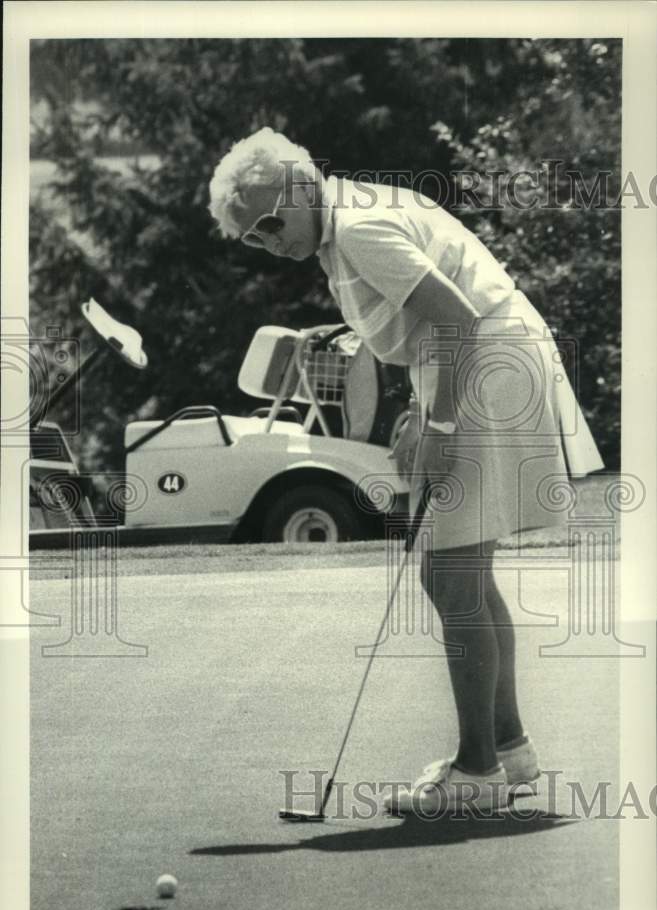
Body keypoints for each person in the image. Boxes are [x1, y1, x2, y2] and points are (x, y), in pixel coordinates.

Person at [208, 127, 604, 814]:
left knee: (451, 576)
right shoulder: (347, 224)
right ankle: (506, 750)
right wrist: (423, 407)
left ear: (303, 186)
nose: (270, 242)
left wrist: (441, 421)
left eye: (272, 221)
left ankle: (476, 771)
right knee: (459, 574)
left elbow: (455, 317)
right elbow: (426, 326)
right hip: (488, 365)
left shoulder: (357, 227)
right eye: (253, 238)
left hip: (490, 367)